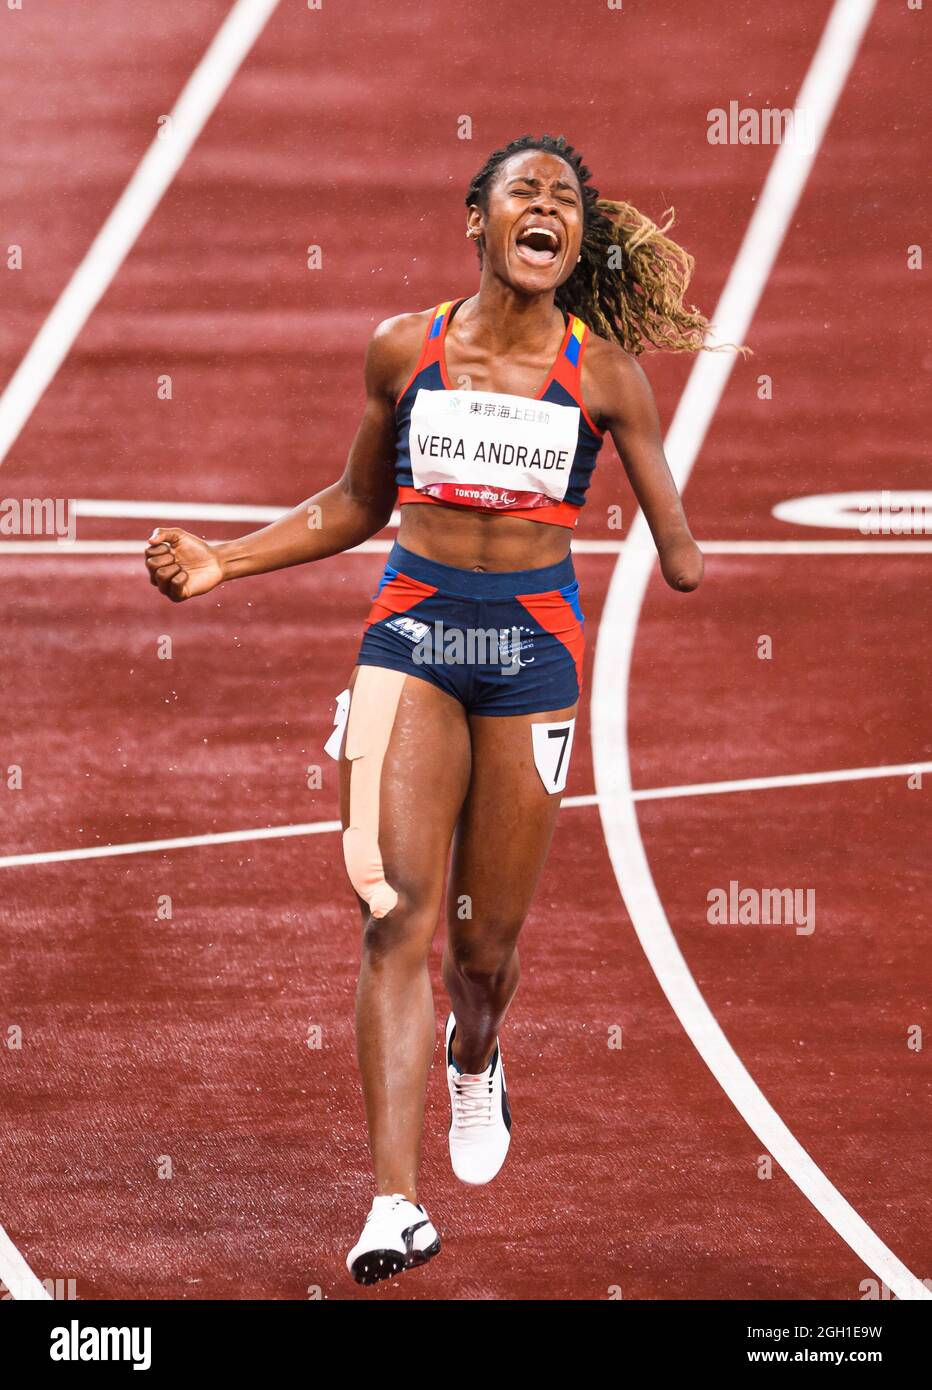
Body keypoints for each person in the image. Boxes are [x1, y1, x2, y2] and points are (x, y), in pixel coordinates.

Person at [145, 134, 712, 1286]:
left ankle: (477, 1051)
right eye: (524, 191)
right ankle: (392, 1204)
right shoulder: (405, 349)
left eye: (564, 199)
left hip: (529, 664)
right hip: (408, 644)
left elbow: (682, 548)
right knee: (390, 915)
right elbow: (356, 500)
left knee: (477, 950)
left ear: (576, 240)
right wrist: (225, 562)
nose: (545, 206)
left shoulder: (602, 376)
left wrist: (674, 540)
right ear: (478, 218)